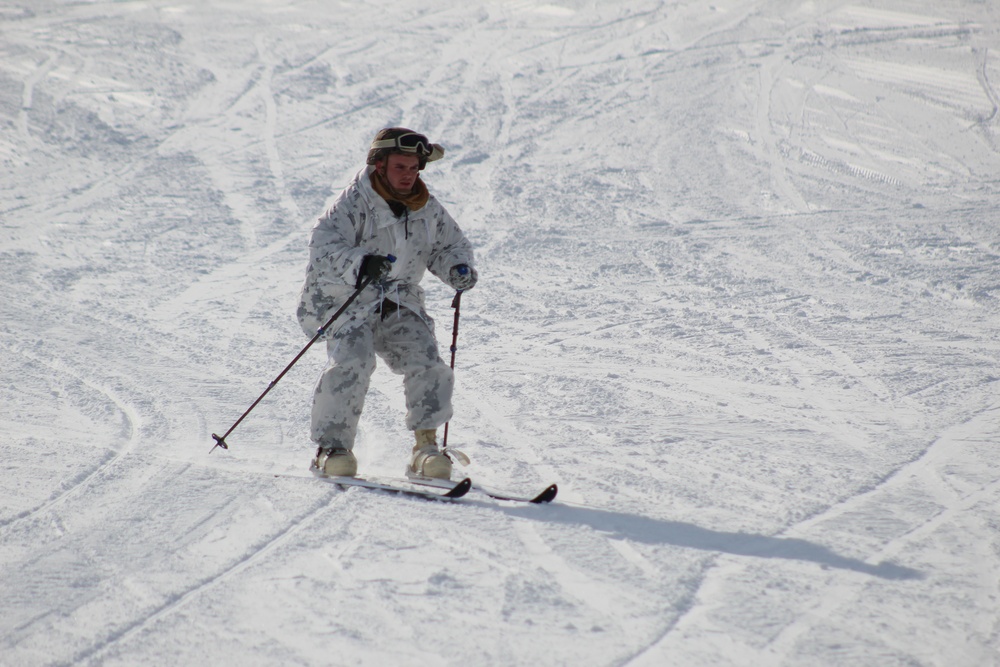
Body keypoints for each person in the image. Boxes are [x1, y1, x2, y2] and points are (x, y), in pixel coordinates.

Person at [296, 128, 477, 480]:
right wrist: (361, 264)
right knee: (352, 361)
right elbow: (323, 247)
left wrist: (456, 267)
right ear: (379, 166)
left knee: (427, 360)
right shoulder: (351, 204)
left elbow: (448, 245)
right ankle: (332, 448)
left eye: (414, 168)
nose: (409, 175)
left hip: (397, 299)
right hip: (347, 301)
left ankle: (425, 448)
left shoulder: (426, 207)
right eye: (401, 167)